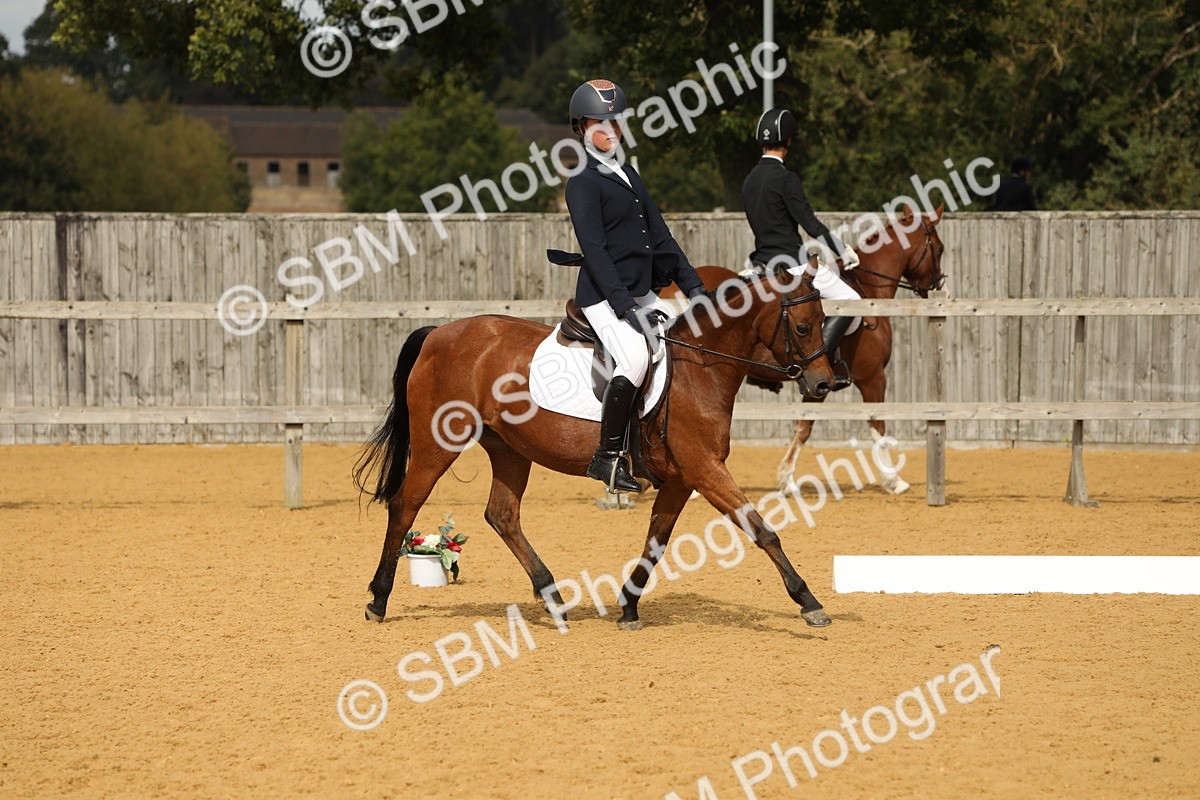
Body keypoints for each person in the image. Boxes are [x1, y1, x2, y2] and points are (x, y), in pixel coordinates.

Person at [565, 79, 709, 493]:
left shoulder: (628, 173)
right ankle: (606, 458)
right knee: (633, 359)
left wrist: (695, 288)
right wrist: (626, 307)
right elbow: (594, 251)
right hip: (604, 297)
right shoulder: (582, 181)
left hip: (642, 291)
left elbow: (661, 237)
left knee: (685, 345)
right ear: (581, 127)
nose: (610, 130)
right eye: (600, 123)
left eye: (617, 121)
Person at [742, 108, 861, 390]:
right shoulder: (786, 179)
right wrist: (842, 252)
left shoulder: (749, 181)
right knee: (853, 301)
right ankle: (821, 362)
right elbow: (810, 223)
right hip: (793, 266)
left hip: (762, 267)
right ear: (790, 142)